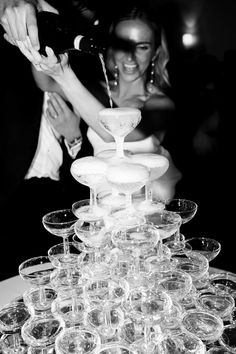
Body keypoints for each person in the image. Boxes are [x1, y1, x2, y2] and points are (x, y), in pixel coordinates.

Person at [7, 1, 182, 203]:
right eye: (122, 45)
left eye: (142, 47)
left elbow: (114, 133)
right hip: (105, 209)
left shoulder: (161, 103)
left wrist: (64, 74)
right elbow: (46, 82)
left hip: (147, 211)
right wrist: (41, 36)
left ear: (156, 53)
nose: (130, 57)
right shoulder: (97, 90)